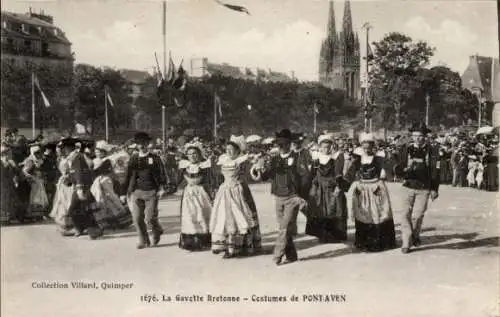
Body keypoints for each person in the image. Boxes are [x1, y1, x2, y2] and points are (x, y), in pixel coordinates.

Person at [259, 129, 308, 266]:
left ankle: (277, 255)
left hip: (292, 197)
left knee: (284, 228)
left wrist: (301, 196)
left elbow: (305, 178)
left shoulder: (298, 158)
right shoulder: (274, 160)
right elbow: (264, 177)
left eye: (284, 144)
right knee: (284, 227)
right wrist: (259, 167)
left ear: (289, 144)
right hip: (278, 197)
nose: (281, 147)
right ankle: (291, 255)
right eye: (279, 144)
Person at [210, 135, 262, 258]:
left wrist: (256, 167)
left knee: (241, 217)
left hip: (239, 190)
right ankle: (229, 247)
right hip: (225, 191)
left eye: (231, 150)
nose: (228, 151)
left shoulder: (242, 160)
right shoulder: (223, 159)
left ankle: (243, 245)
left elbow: (251, 171)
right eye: (227, 149)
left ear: (238, 151)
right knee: (225, 217)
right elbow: (217, 173)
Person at [398, 123, 440, 254]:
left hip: (424, 187)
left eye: (420, 136)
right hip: (408, 186)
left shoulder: (432, 151)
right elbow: (398, 167)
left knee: (417, 215)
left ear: (425, 137)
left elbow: (435, 171)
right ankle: (406, 241)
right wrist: (403, 171)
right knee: (405, 214)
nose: (417, 138)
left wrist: (434, 189)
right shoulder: (406, 149)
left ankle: (415, 235)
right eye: (415, 135)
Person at [350, 133, 396, 252]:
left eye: (369, 147)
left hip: (376, 188)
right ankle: (363, 242)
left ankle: (378, 242)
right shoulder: (357, 160)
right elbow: (350, 175)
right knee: (364, 213)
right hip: (363, 188)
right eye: (364, 148)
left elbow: (387, 172)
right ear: (361, 147)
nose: (366, 150)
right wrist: (353, 185)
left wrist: (382, 177)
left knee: (378, 214)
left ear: (372, 147)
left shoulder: (379, 159)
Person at [124, 132, 166, 249]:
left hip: (151, 191)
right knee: (137, 218)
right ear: (136, 145)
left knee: (150, 218)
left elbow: (162, 174)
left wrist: (162, 188)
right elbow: (128, 176)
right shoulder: (133, 159)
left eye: (143, 143)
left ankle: (157, 230)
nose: (141, 146)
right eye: (138, 144)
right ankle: (144, 241)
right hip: (136, 192)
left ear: (148, 144)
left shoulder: (155, 158)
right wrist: (124, 192)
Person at [306, 133, 350, 243]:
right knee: (321, 210)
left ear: (331, 146)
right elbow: (313, 174)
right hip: (320, 188)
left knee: (334, 209)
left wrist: (338, 187)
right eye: (324, 146)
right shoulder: (316, 158)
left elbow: (338, 174)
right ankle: (323, 234)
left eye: (328, 146)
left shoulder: (336, 158)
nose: (326, 149)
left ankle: (335, 235)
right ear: (320, 147)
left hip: (332, 187)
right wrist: (313, 187)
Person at [177, 141, 213, 251]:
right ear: (187, 156)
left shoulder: (204, 165)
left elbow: (210, 180)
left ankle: (204, 240)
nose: (192, 156)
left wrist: (211, 191)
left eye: (195, 153)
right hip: (188, 193)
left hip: (201, 192)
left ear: (199, 154)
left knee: (202, 214)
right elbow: (179, 180)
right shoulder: (184, 166)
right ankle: (191, 242)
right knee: (190, 215)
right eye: (190, 154)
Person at [91, 140, 132, 230]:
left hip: (106, 181)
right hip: (99, 182)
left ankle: (121, 219)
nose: (96, 153)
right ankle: (109, 222)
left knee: (111, 199)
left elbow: (98, 170)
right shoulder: (97, 160)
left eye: (98, 152)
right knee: (103, 201)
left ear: (103, 152)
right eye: (96, 152)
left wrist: (92, 171)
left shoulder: (107, 160)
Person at [21, 142, 49, 221]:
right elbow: (25, 171)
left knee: (40, 197)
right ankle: (33, 215)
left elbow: (40, 168)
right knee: (35, 198)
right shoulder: (30, 160)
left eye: (38, 153)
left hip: (39, 181)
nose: (38, 154)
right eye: (36, 153)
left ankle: (39, 215)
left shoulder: (38, 160)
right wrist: (32, 178)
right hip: (34, 182)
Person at [1, 143, 21, 224]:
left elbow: (17, 172)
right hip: (2, 184)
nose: (8, 155)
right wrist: (6, 165)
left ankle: (8, 218)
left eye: (8, 153)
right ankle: (3, 219)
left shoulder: (10, 161)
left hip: (9, 183)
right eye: (5, 153)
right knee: (3, 200)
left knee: (9, 200)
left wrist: (14, 166)